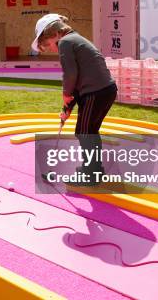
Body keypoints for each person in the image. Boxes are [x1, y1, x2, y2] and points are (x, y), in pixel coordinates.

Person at [32, 14, 117, 186]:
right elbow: (79, 81)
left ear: (54, 33)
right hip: (104, 90)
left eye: (49, 44)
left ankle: (90, 174)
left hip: (95, 92)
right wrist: (68, 107)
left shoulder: (65, 42)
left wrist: (65, 94)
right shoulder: (75, 39)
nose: (53, 49)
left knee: (84, 132)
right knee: (89, 131)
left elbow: (70, 75)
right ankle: (94, 170)